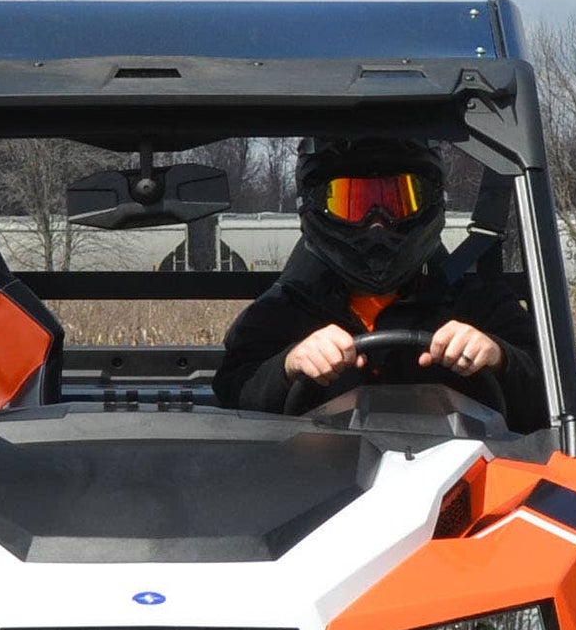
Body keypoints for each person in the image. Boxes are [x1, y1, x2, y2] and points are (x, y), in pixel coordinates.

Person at [213, 137, 544, 426]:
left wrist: (499, 357)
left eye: (400, 202)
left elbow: (555, 397)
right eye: (351, 204)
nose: (377, 225)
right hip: (318, 481)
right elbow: (231, 395)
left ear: (431, 201)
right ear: (315, 206)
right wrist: (289, 365)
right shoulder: (284, 310)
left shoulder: (478, 303)